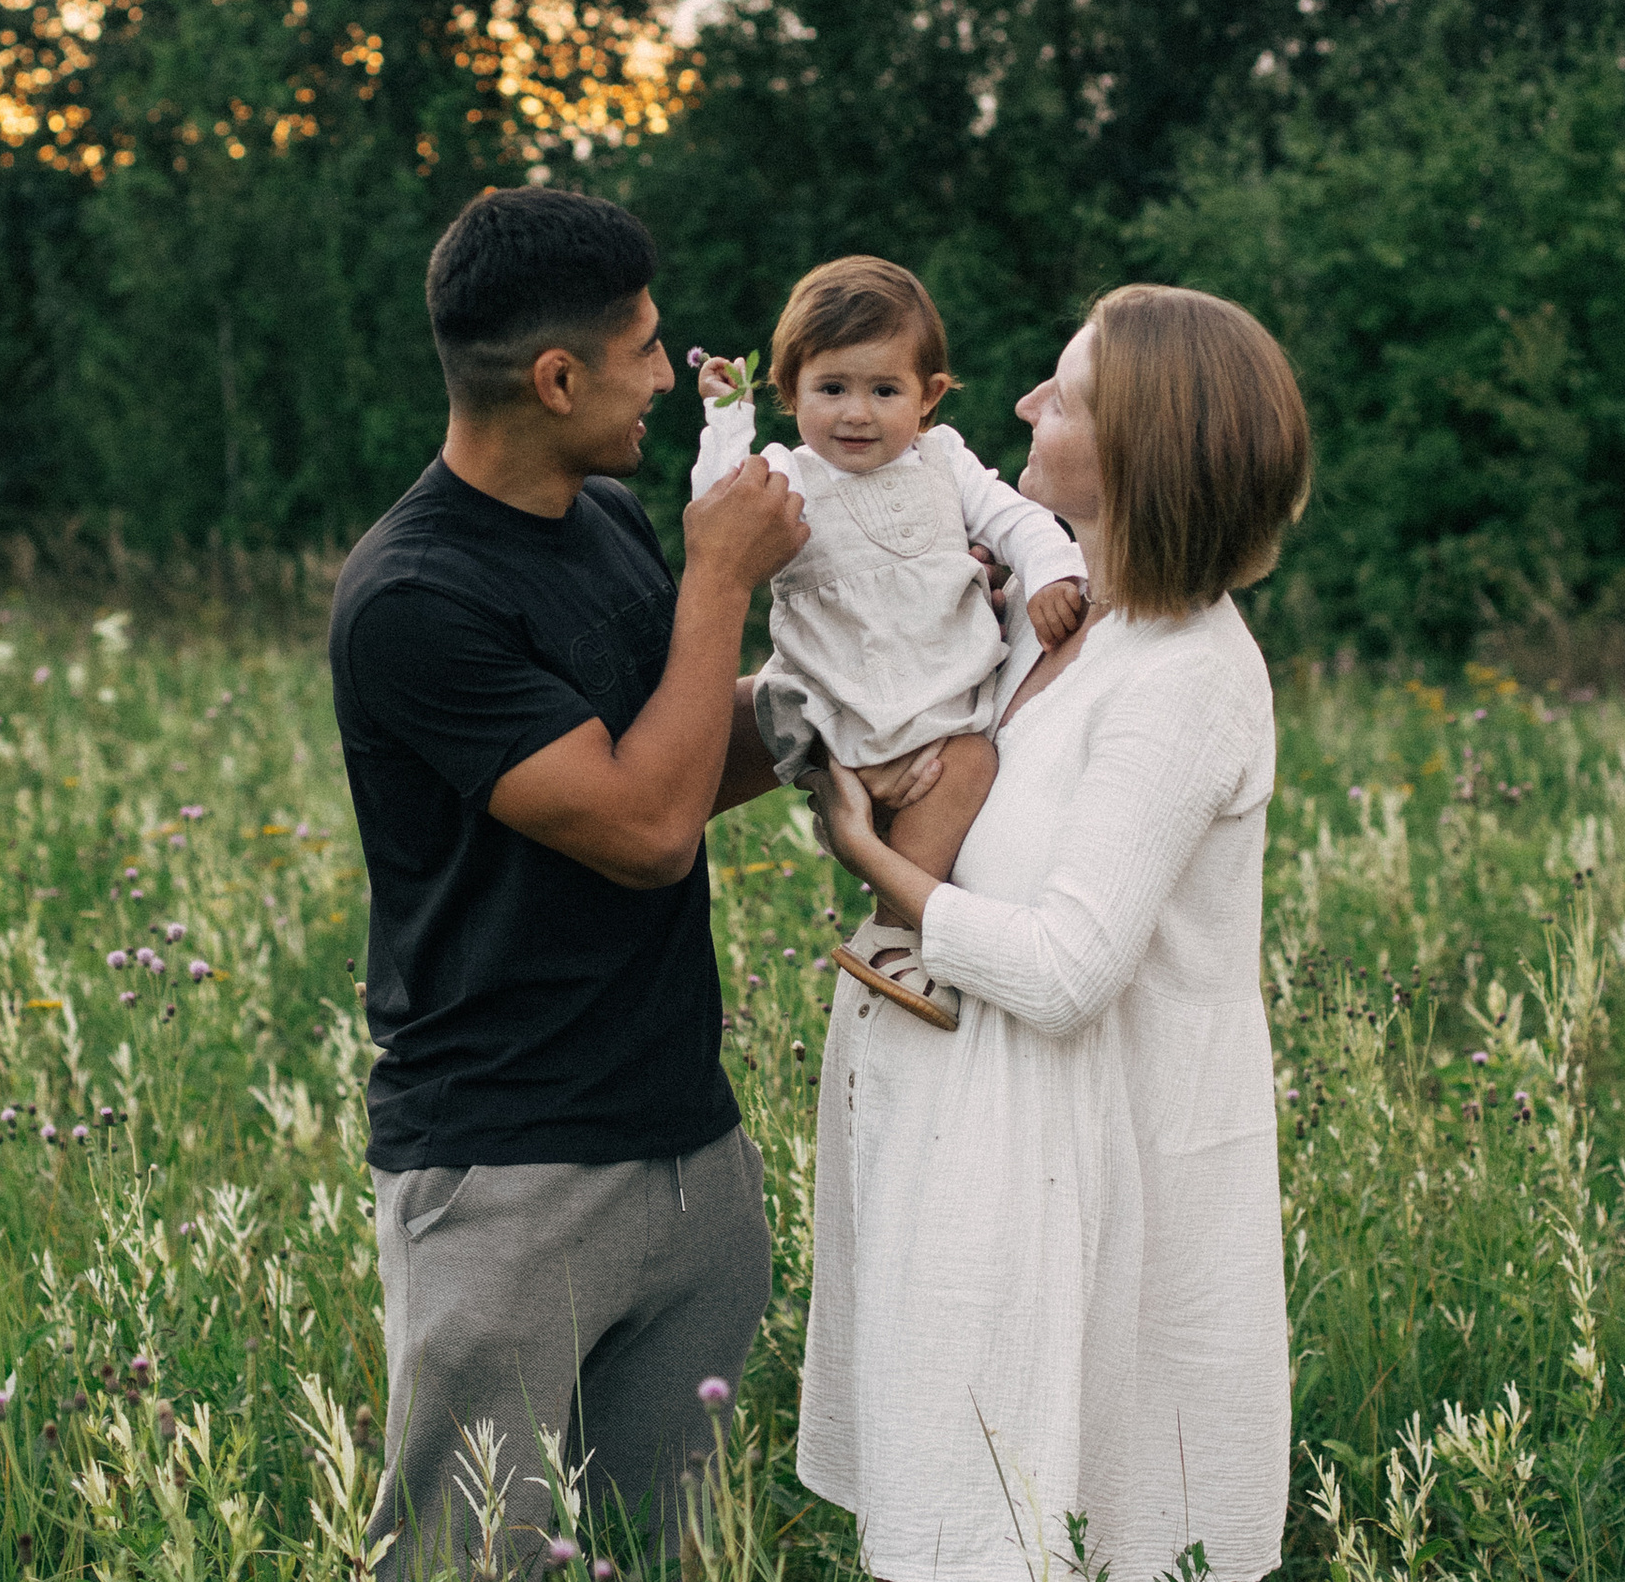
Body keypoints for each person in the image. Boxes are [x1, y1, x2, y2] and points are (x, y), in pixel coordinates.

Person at [327, 186, 815, 1576]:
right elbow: (648, 828)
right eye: (644, 348)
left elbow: (679, 756)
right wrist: (719, 578)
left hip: (686, 1147)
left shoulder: (601, 516)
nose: (667, 375)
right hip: (507, 1176)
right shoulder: (414, 598)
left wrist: (872, 686)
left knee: (677, 1555)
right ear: (556, 379)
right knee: (467, 1560)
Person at [797, 284, 1310, 1582]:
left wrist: (869, 860)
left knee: (1069, 1526)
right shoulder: (1066, 626)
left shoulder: (1187, 673)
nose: (1025, 401)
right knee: (961, 1519)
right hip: (976, 1166)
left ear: (1141, 447)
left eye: (1065, 395)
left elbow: (1068, 969)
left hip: (1092, 1189)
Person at [690, 256, 1088, 1028]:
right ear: (790, 390)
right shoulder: (788, 475)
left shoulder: (945, 461)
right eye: (831, 389)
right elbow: (718, 506)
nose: (856, 414)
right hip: (834, 710)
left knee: (972, 765)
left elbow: (1016, 520)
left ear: (928, 395)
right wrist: (728, 421)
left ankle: (895, 930)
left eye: (884, 391)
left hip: (937, 711)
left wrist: (1050, 573)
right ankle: (901, 925)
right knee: (834, 742)